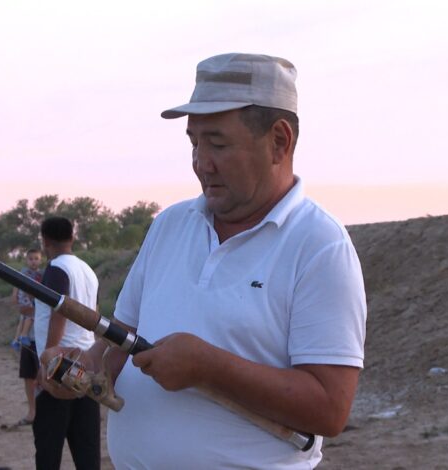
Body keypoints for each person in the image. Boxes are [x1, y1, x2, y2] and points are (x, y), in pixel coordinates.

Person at [41, 53, 367, 468]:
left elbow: (330, 408)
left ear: (279, 141)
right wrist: (82, 368)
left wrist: (210, 368)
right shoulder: (170, 225)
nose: (201, 163)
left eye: (218, 144)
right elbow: (118, 341)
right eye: (194, 143)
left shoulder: (320, 245)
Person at [32, 217, 100, 470]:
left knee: (48, 445)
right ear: (72, 237)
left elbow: (59, 313)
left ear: (45, 241)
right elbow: (95, 314)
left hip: (61, 364)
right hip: (87, 361)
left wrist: (47, 361)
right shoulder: (88, 271)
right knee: (87, 446)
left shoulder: (57, 268)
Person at [9, 248, 43, 426]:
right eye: (31, 258)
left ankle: (43, 412)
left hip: (41, 337)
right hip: (28, 337)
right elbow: (17, 300)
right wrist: (16, 294)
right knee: (28, 375)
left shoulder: (44, 276)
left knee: (43, 376)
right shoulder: (24, 275)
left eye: (36, 258)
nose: (34, 262)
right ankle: (32, 412)